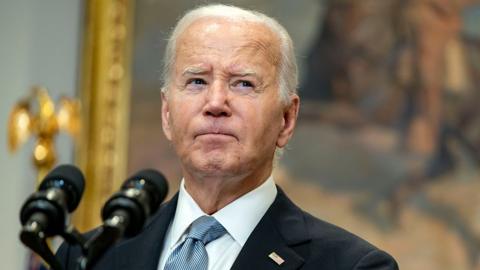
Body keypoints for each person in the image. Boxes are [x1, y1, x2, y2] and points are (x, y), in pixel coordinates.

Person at [57, 4, 399, 270]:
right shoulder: (88, 257)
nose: (216, 103)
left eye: (243, 83)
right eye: (197, 82)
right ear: (167, 114)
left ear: (286, 119)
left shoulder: (352, 265)